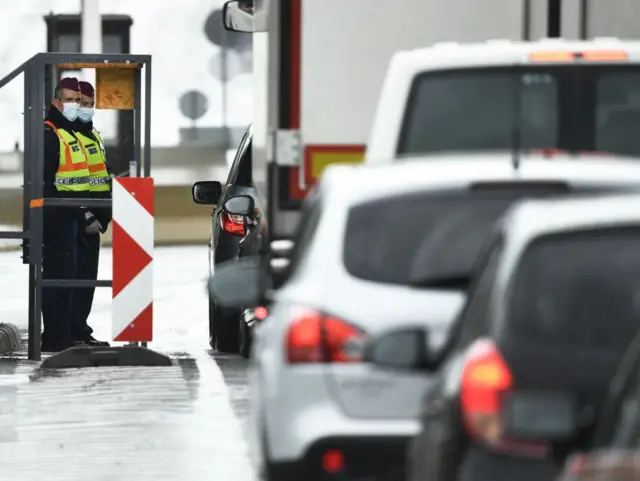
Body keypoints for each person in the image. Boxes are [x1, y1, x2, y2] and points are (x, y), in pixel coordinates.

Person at [42, 77, 91, 352]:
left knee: (75, 279)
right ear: (56, 103)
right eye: (71, 100)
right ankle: (57, 336)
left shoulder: (74, 133)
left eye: (81, 101)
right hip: (58, 218)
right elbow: (49, 181)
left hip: (75, 217)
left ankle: (70, 332)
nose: (76, 106)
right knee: (59, 280)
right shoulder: (52, 133)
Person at [70, 80, 111, 347]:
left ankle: (80, 330)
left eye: (90, 104)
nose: (86, 109)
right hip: (72, 219)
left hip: (93, 219)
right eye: (81, 103)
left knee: (86, 281)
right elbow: (67, 180)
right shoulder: (63, 134)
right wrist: (83, 212)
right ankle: (69, 333)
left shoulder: (92, 133)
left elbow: (96, 176)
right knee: (71, 281)